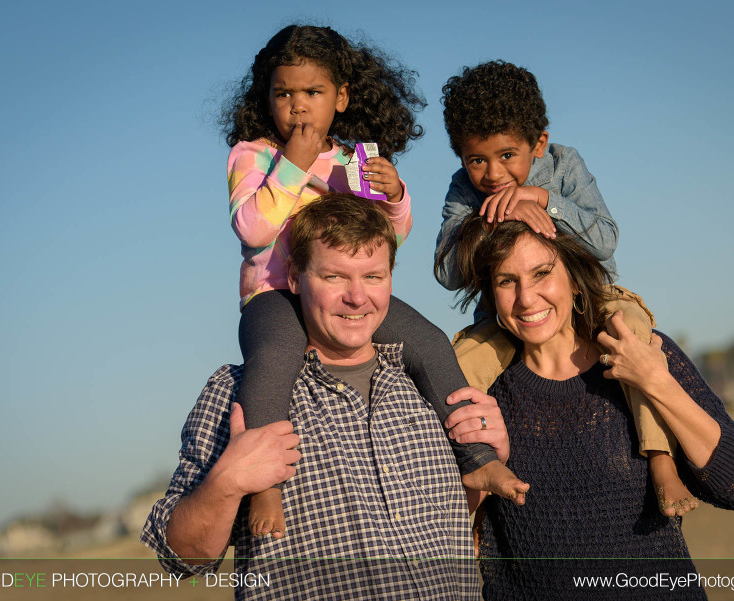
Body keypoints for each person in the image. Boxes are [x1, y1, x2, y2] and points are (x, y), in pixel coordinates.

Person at [221, 25, 524, 538]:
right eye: (284, 93)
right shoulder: (253, 155)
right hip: (274, 296)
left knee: (428, 342)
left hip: (349, 297)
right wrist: (293, 164)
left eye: (312, 92)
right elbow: (253, 227)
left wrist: (395, 194)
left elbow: (387, 241)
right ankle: (265, 485)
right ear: (267, 98)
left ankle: (474, 456)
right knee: (273, 359)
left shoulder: (351, 158)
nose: (298, 106)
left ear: (340, 97)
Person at [141, 194, 513, 599]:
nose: (356, 297)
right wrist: (226, 483)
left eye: (372, 277)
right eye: (334, 277)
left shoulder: (427, 389)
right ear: (297, 278)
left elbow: (452, 525)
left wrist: (488, 455)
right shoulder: (237, 394)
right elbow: (182, 560)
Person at [441, 213, 734, 599]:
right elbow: (440, 529)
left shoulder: (637, 350)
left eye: (542, 273)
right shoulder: (480, 390)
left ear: (575, 281)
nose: (526, 299)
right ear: (492, 294)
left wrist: (655, 381)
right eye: (507, 282)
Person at [434, 59, 696, 515]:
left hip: (591, 298)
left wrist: (545, 203)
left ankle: (660, 460)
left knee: (634, 335)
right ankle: (470, 484)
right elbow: (447, 272)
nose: (493, 174)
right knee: (454, 368)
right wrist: (491, 218)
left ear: (539, 143)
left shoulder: (564, 167)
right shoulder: (463, 190)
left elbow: (605, 239)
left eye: (507, 156)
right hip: (506, 315)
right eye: (477, 160)